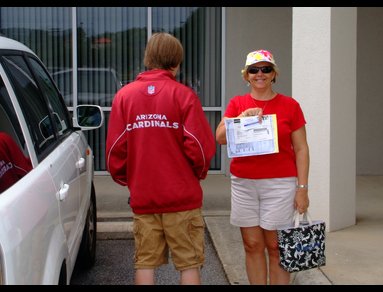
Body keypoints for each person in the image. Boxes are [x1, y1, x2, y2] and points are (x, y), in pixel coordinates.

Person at [106, 33, 216, 285]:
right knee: (189, 264)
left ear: (148, 59)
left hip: (144, 197)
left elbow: (115, 150)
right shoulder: (184, 95)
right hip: (182, 197)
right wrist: (195, 174)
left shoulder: (124, 96)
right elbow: (200, 148)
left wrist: (128, 178)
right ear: (176, 62)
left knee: (145, 263)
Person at [215, 50, 310, 285]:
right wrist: (241, 118)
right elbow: (219, 137)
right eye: (254, 70)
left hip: (280, 184)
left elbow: (301, 149)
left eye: (266, 69)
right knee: (252, 245)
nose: (260, 74)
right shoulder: (238, 103)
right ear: (246, 75)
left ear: (274, 73)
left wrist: (303, 188)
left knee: (276, 247)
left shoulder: (290, 105)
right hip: (244, 183)